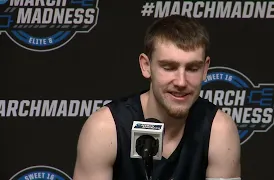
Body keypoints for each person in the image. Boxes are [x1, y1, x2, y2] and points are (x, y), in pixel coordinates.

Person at [73, 15, 241, 180]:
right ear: (146, 66)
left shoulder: (219, 130)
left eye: (192, 68)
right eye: (168, 67)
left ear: (205, 69)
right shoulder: (105, 129)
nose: (181, 82)